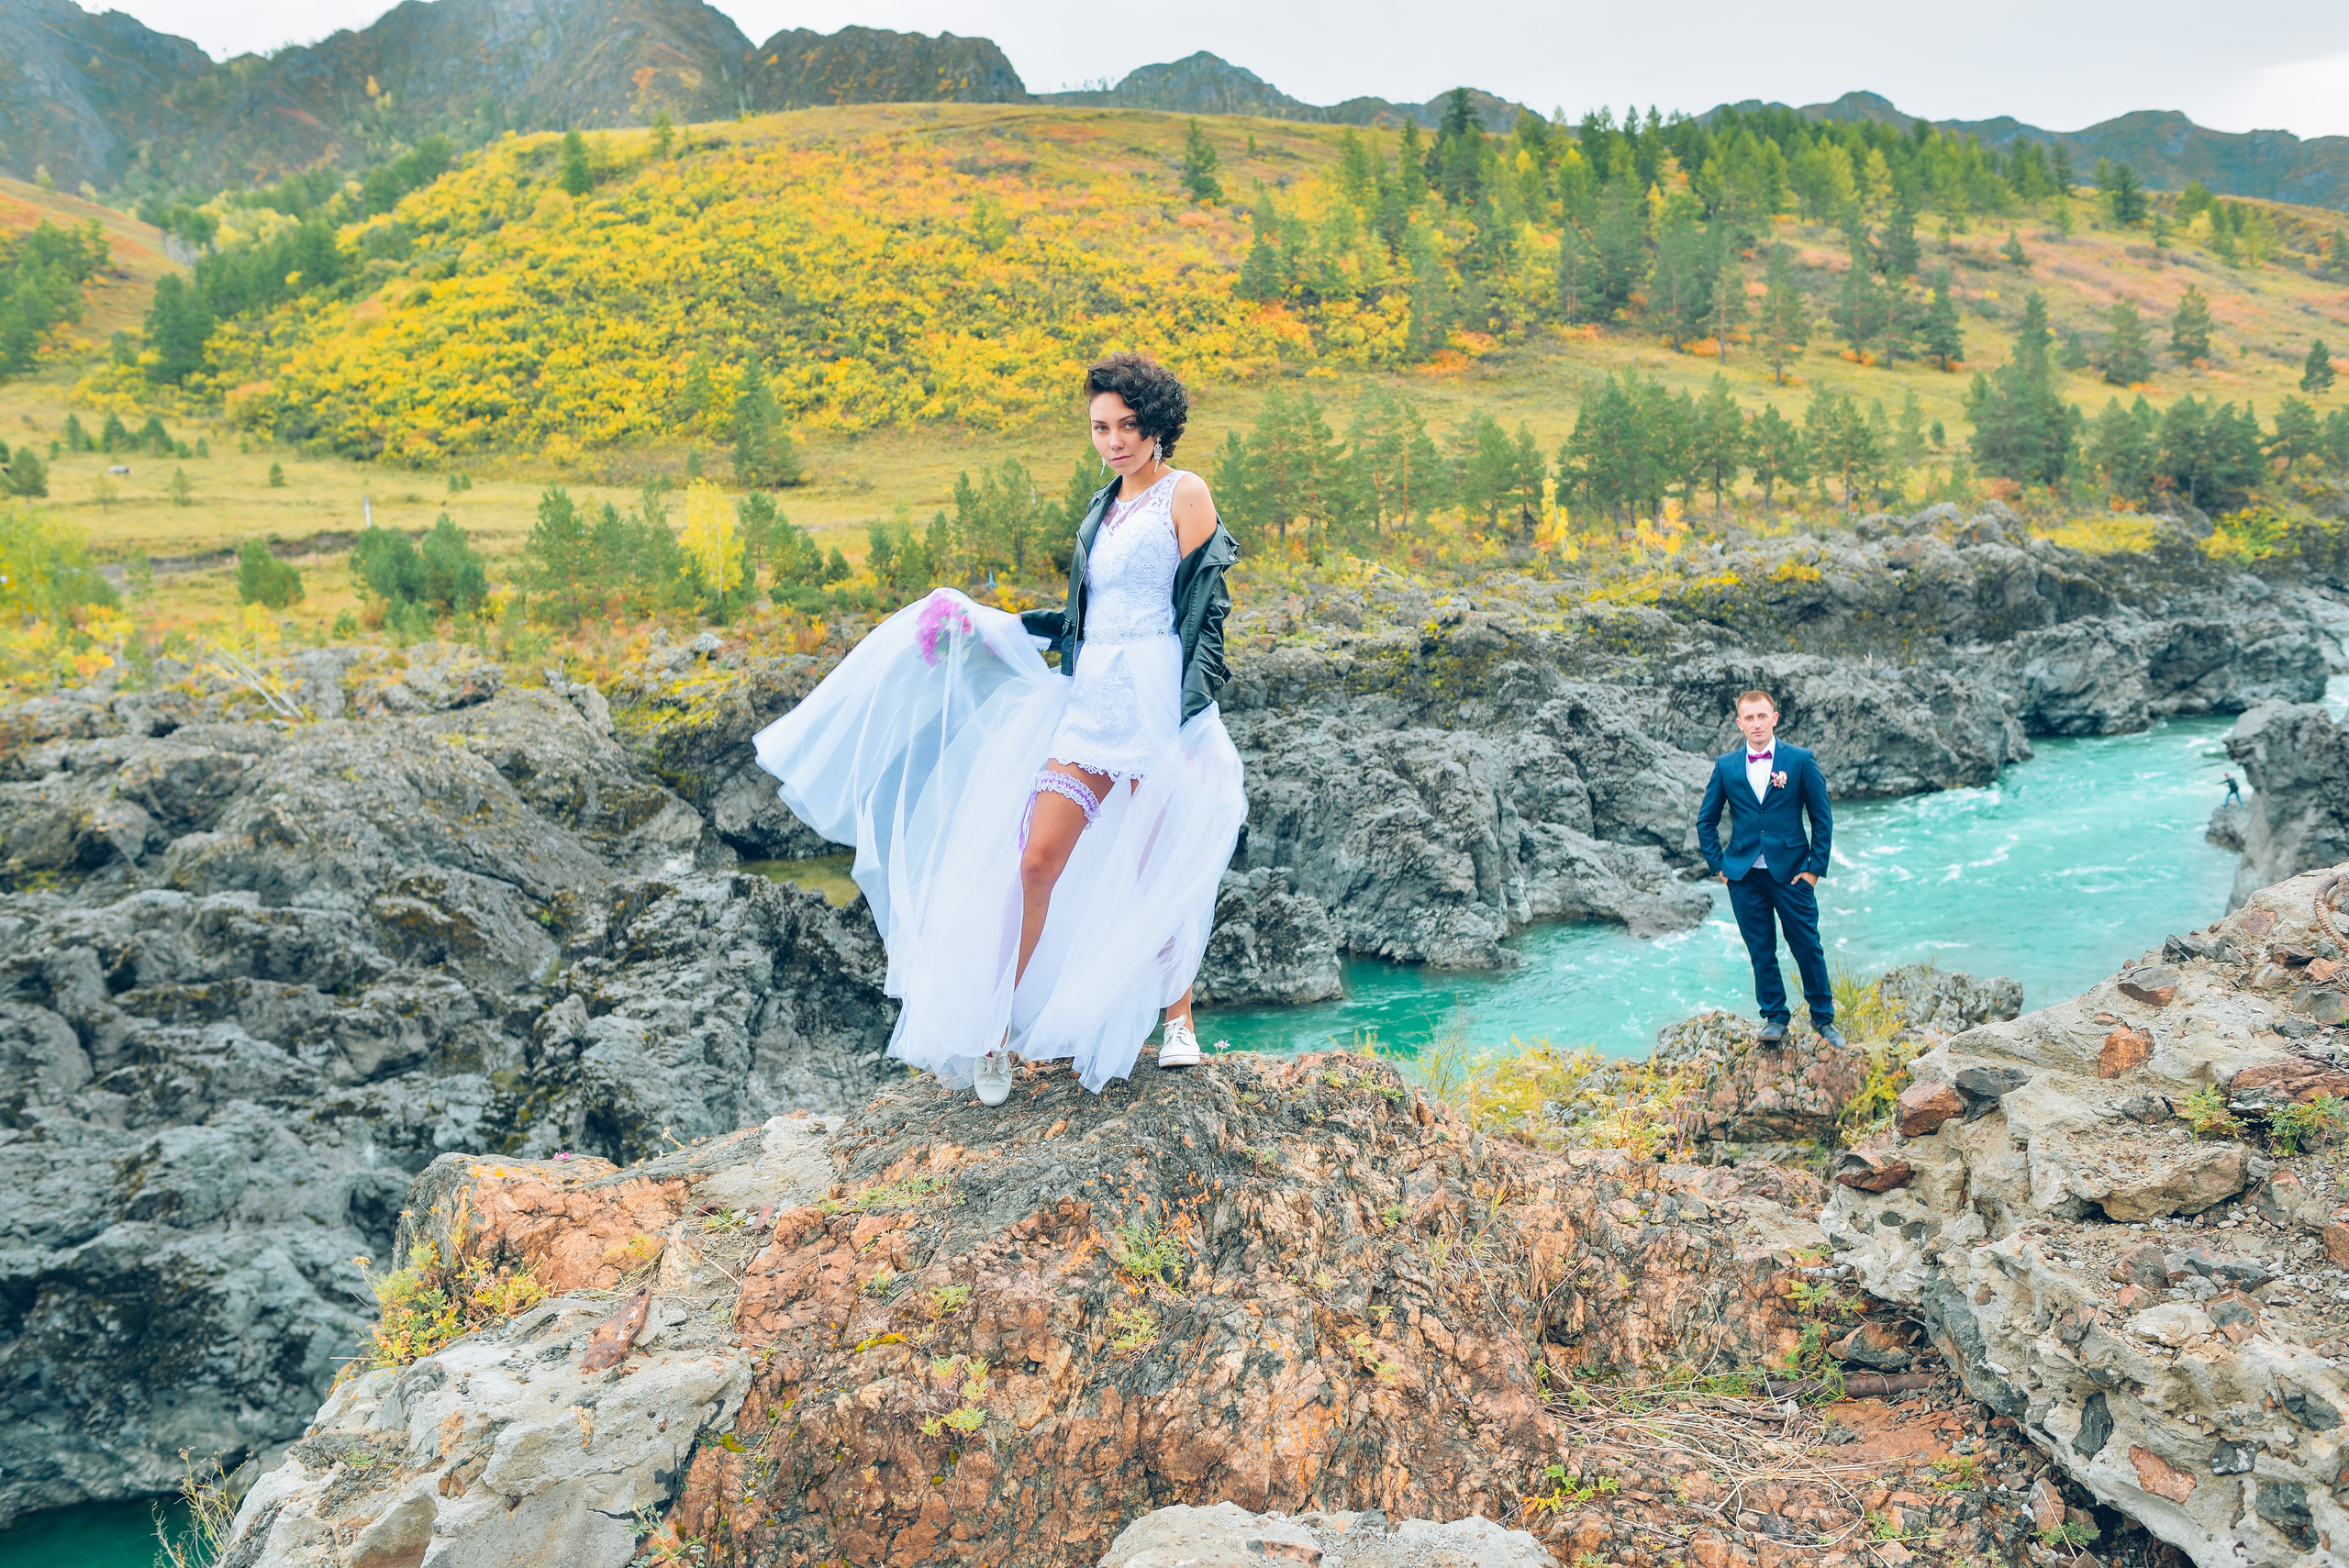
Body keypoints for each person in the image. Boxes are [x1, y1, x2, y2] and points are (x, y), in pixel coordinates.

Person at [752, 352, 1245, 1106]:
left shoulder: (1187, 494)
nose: (1111, 440)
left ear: (1155, 426)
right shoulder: (1101, 507)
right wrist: (998, 628)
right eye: (1099, 427)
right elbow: (1088, 615)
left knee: (1157, 863)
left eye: (1125, 426)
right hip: (1090, 701)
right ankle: (994, 1031)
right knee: (1035, 861)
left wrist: (1189, 714)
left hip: (1158, 701)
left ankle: (1178, 1021)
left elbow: (1204, 613)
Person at [1696, 689, 1842, 1047]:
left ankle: (1823, 1019)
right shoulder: (1725, 766)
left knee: (1807, 945)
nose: (1756, 723)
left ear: (1774, 717)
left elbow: (1822, 819)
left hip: (1792, 872)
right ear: (1739, 723)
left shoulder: (1801, 761)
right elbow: (1706, 821)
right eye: (1749, 718)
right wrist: (1720, 866)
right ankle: (1775, 1017)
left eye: (1763, 716)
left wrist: (1813, 871)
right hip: (1744, 876)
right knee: (1760, 948)